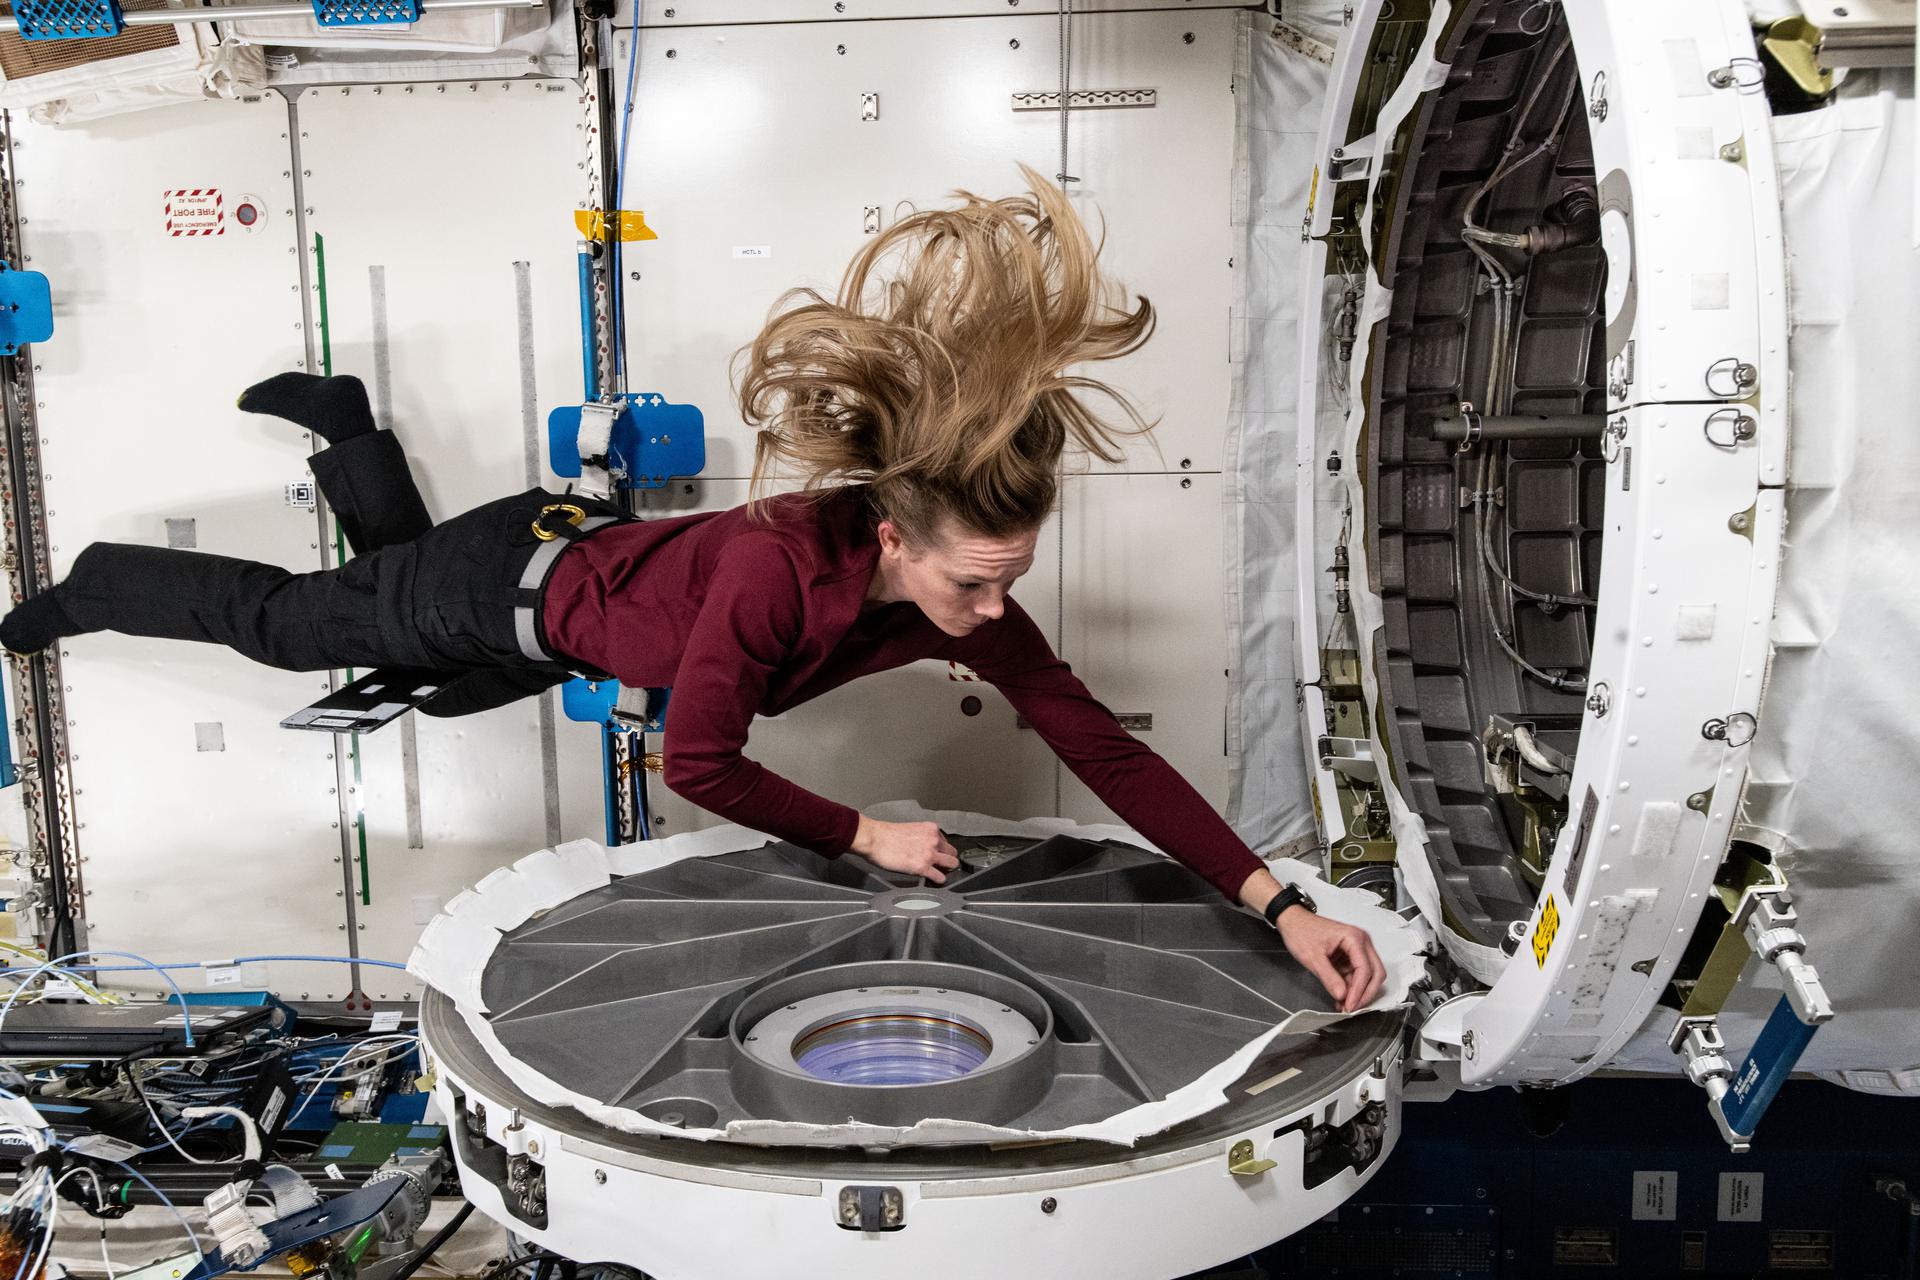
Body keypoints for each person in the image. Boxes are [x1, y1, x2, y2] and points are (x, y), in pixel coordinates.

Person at [0, 170, 1386, 1012]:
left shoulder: (947, 595)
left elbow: (1097, 749)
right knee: (298, 629)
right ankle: (88, 585)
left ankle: (347, 425)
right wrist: (868, 834)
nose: (989, 619)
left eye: (1009, 585)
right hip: (501, 590)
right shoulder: (781, 572)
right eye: (973, 582)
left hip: (556, 574)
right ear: (896, 536)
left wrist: (1278, 904)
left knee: (400, 629)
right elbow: (699, 759)